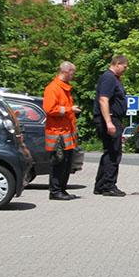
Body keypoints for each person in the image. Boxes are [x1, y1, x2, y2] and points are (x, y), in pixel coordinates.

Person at [43, 61, 81, 201]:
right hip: (57, 134)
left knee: (65, 163)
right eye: (72, 72)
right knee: (58, 163)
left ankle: (62, 190)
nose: (73, 75)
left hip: (65, 133)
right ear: (66, 71)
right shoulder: (53, 88)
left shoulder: (63, 88)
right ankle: (55, 191)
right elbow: (50, 109)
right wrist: (70, 109)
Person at [93, 54, 129, 196]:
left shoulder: (112, 78)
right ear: (117, 64)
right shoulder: (109, 78)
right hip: (110, 119)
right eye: (124, 67)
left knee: (109, 152)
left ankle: (101, 185)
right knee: (114, 153)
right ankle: (108, 186)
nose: (125, 70)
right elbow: (103, 100)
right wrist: (109, 122)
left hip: (113, 119)